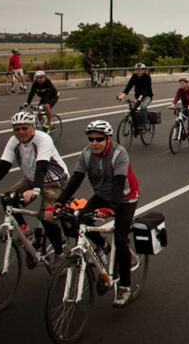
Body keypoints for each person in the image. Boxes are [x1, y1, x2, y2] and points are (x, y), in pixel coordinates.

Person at [55, 120, 140, 308]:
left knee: (120, 240)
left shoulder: (119, 153)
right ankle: (102, 245)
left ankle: (124, 286)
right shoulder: (86, 154)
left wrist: (110, 208)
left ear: (108, 139)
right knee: (78, 222)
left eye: (99, 139)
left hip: (125, 198)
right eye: (91, 139)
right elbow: (75, 180)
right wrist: (59, 202)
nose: (94, 143)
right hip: (101, 195)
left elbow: (119, 183)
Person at [0, 111, 69, 257]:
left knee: (46, 217)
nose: (21, 132)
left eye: (24, 128)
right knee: (7, 200)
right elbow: (4, 165)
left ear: (32, 127)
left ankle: (59, 252)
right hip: (31, 179)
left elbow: (42, 165)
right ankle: (27, 234)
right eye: (17, 129)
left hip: (54, 181)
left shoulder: (43, 139)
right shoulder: (14, 141)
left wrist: (36, 190)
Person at [117, 63, 153, 133]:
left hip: (147, 96)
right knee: (132, 108)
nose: (139, 72)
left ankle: (143, 126)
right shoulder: (134, 76)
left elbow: (146, 87)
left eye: (140, 70)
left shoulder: (147, 77)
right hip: (138, 96)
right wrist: (124, 94)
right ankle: (136, 125)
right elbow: (129, 85)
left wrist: (142, 95)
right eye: (137, 70)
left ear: (143, 70)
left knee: (143, 107)